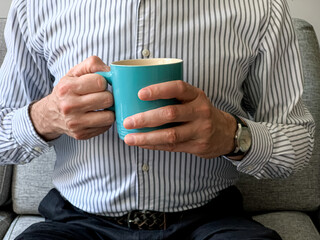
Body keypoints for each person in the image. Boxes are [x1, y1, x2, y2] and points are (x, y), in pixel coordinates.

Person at [0, 0, 315, 239]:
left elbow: (299, 145)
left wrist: (232, 135)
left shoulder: (260, 8)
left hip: (210, 221)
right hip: (75, 224)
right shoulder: (36, 6)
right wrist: (45, 116)